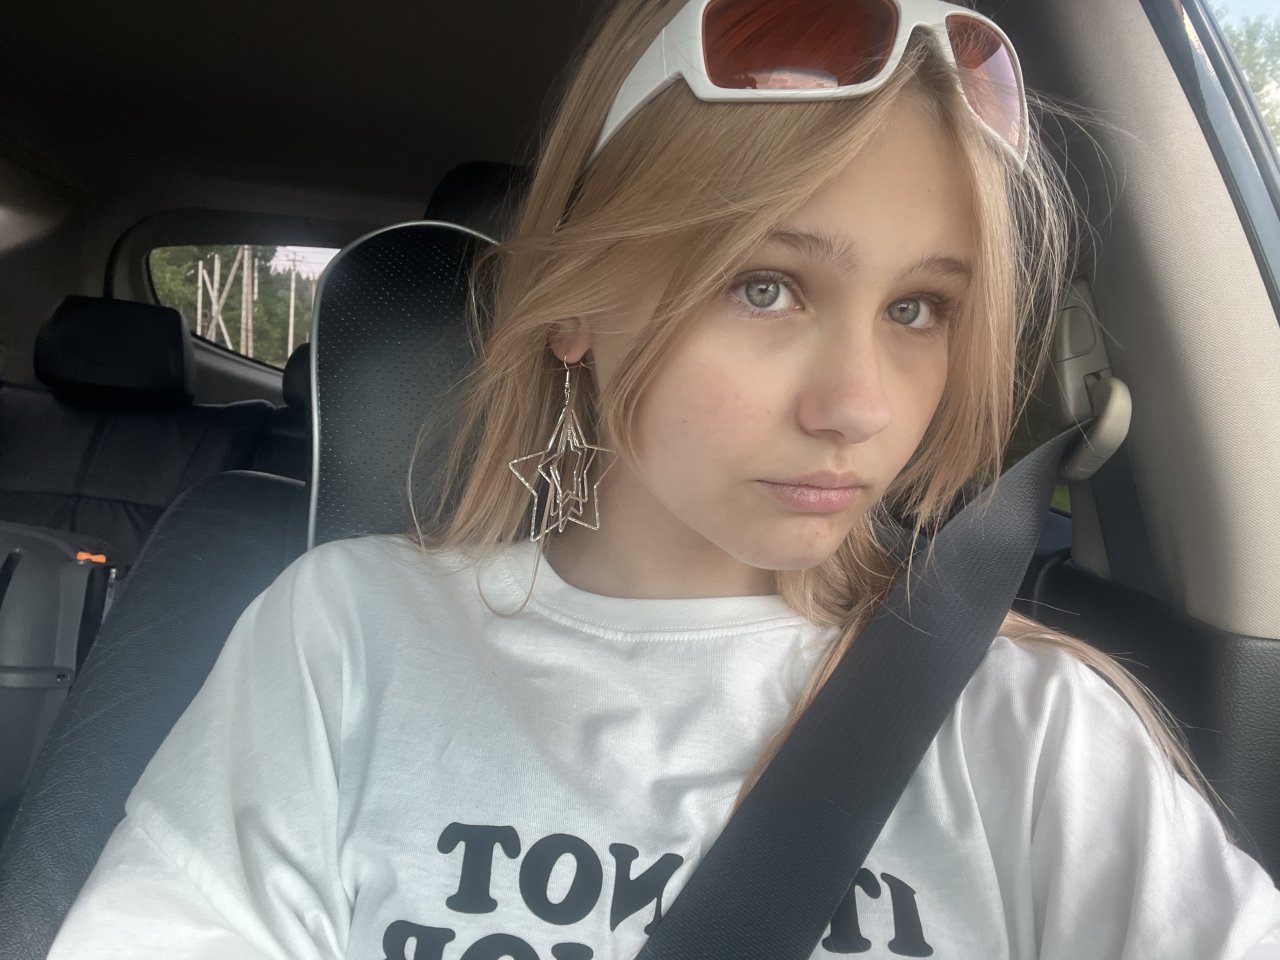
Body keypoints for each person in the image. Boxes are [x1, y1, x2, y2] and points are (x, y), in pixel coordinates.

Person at [47, 0, 1280, 957]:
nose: (858, 406)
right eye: (765, 286)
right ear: (574, 304)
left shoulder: (1036, 733)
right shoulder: (343, 638)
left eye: (917, 307)